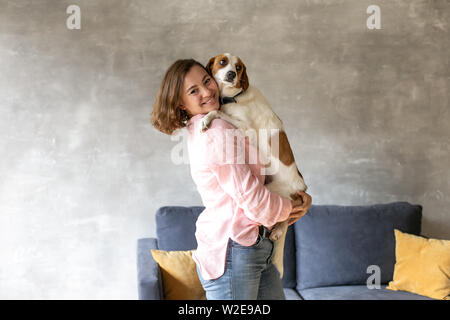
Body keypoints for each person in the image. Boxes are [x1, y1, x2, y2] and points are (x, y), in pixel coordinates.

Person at [151, 59, 312, 300]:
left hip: (252, 246)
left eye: (207, 81)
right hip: (235, 251)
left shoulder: (211, 123)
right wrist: (293, 207)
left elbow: (264, 174)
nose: (207, 91)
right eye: (194, 91)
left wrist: (295, 199)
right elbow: (253, 199)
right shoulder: (216, 131)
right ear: (181, 105)